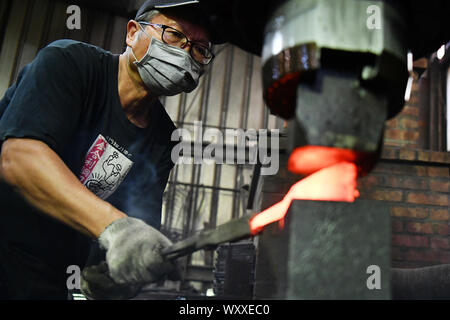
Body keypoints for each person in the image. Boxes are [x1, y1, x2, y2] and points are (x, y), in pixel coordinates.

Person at [0, 0, 220, 299]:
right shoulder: (69, 63)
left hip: (50, 277)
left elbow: (139, 220)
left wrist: (117, 272)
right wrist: (117, 229)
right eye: (173, 34)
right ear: (132, 33)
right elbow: (19, 160)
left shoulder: (163, 137)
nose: (184, 53)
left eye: (198, 49)